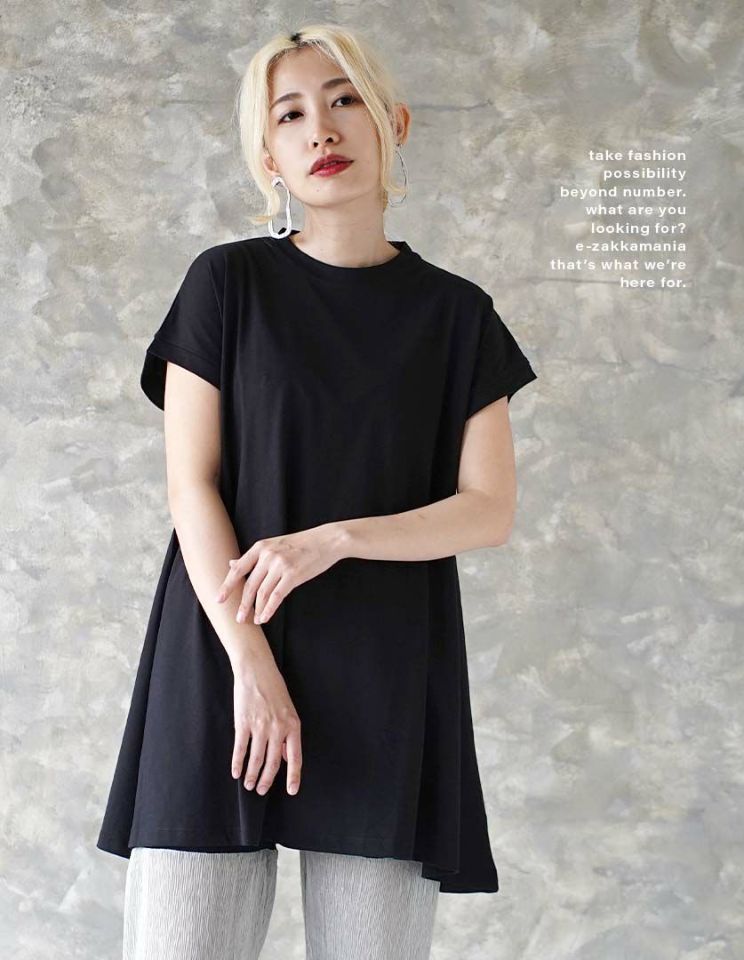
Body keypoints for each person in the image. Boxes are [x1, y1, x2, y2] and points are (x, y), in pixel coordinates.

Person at [96, 22, 538, 960]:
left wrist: (332, 539)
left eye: (343, 101)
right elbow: (191, 485)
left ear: (393, 122)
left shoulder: (457, 315)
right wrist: (250, 663)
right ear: (268, 156)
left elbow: (488, 509)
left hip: (386, 664)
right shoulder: (226, 284)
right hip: (223, 650)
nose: (321, 129)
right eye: (289, 114)